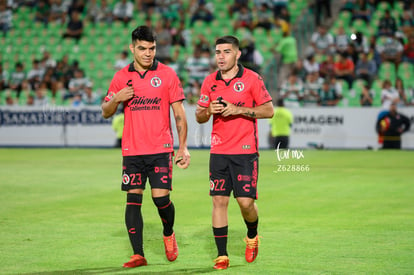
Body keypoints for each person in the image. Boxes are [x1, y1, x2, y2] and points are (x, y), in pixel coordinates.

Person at [101, 25, 190, 268]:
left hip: (160, 150)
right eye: (142, 48)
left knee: (161, 200)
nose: (148, 53)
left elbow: (180, 115)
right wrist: (117, 98)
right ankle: (138, 254)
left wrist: (182, 147)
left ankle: (168, 231)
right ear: (132, 48)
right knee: (133, 199)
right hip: (132, 151)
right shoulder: (121, 77)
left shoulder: (168, 75)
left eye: (151, 48)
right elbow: (106, 111)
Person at [195, 35, 274, 270]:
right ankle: (222, 256)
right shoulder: (209, 81)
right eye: (218, 52)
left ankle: (252, 235)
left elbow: (269, 110)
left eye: (226, 52)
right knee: (219, 201)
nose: (221, 56)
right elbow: (199, 116)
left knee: (245, 203)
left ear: (237, 54)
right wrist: (208, 109)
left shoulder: (251, 79)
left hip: (245, 152)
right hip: (219, 151)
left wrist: (238, 110)